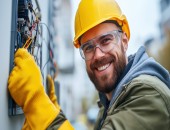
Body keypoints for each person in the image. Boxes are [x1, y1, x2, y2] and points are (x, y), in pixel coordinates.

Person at [8, 0, 170, 130]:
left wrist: (36, 103)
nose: (98, 54)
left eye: (106, 40)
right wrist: (54, 114)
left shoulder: (147, 95)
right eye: (88, 47)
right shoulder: (109, 104)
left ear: (125, 41)